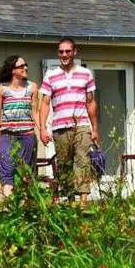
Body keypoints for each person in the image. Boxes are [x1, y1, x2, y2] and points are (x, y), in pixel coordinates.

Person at [39, 38, 99, 205]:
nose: (64, 55)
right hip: (59, 126)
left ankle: (84, 200)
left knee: (82, 159)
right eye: (61, 52)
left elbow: (91, 102)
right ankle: (71, 200)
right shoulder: (50, 74)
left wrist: (95, 129)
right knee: (64, 164)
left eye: (67, 51)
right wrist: (42, 129)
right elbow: (44, 103)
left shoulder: (86, 74)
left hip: (81, 124)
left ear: (74, 52)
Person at [0, 55, 39, 197]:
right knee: (7, 172)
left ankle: (24, 207)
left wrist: (43, 130)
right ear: (13, 70)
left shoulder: (32, 87)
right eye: (21, 66)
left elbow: (34, 112)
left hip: (27, 136)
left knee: (25, 173)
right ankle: (10, 205)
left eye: (26, 65)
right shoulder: (1, 89)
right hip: (7, 136)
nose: (25, 68)